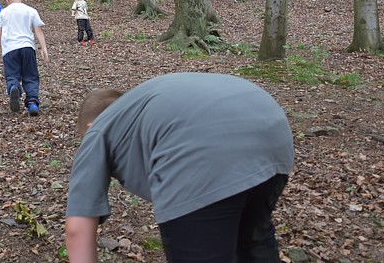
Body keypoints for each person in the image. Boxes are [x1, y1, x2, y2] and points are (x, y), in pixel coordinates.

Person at [66, 73, 294, 263]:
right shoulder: (142, 106)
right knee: (251, 240)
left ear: (89, 126)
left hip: (204, 153)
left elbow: (77, 230)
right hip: (270, 126)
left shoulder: (98, 129)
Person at [0, 0, 49, 116]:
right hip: (27, 47)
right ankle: (32, 103)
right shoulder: (30, 10)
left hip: (10, 49)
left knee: (12, 75)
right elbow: (38, 29)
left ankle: (14, 87)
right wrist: (43, 48)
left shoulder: (4, 12)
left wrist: (1, 47)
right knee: (30, 76)